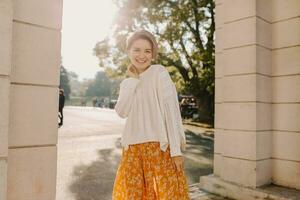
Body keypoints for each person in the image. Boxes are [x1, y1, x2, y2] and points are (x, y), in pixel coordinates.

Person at [112, 30, 190, 200]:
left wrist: (176, 151)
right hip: (132, 150)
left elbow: (171, 111)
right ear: (128, 51)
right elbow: (121, 111)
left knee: (166, 194)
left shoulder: (159, 72)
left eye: (147, 51)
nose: (142, 55)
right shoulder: (127, 83)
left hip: (159, 148)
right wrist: (133, 80)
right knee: (133, 196)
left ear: (153, 54)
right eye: (137, 50)